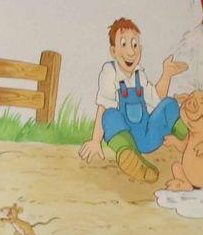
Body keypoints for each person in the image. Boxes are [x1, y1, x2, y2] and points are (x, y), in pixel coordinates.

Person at [80, 18, 187, 181]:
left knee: (169, 103)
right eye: (123, 44)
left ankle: (188, 137)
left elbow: (157, 100)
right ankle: (130, 157)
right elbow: (103, 107)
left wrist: (167, 74)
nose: (131, 52)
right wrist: (96, 140)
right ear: (113, 51)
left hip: (149, 136)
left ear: (140, 49)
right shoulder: (110, 72)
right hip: (126, 138)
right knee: (109, 115)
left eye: (135, 45)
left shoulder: (140, 74)